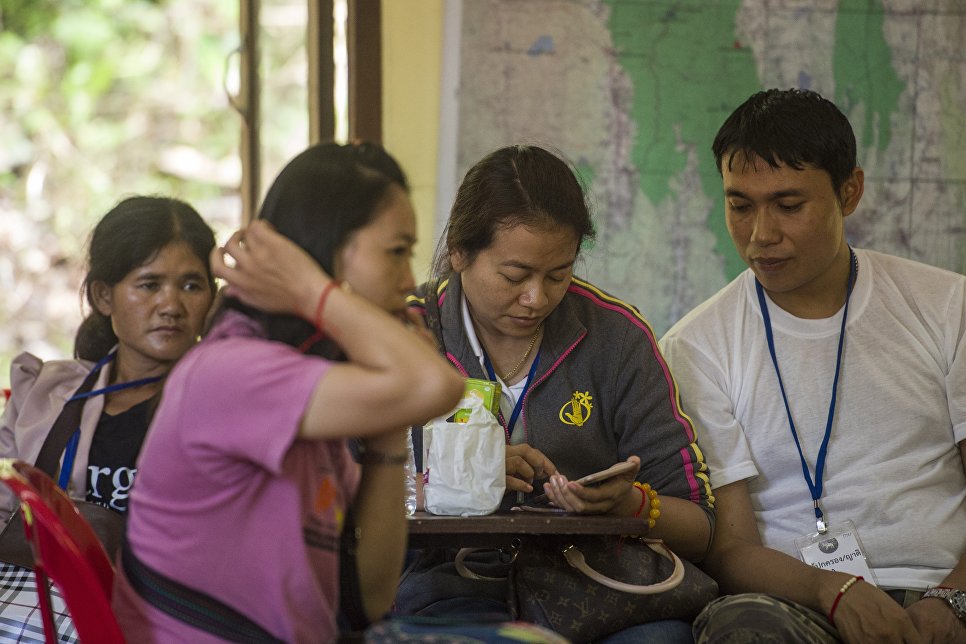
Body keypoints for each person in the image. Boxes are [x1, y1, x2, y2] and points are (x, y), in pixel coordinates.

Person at [112, 142, 466, 643]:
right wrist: (308, 287)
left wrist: (389, 429)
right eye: (397, 252)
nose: (410, 281)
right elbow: (437, 383)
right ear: (327, 252)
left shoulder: (307, 397)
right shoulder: (232, 372)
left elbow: (369, 598)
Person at [660, 88, 966, 643]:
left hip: (949, 589)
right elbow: (729, 549)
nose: (761, 235)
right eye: (740, 204)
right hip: (795, 604)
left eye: (788, 204)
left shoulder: (948, 306)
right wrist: (834, 591)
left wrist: (951, 600)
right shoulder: (696, 345)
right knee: (742, 628)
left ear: (849, 192)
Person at [399, 144, 716, 642]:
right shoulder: (403, 332)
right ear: (459, 251)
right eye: (514, 275)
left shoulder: (616, 339)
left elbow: (700, 527)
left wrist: (629, 504)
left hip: (600, 595)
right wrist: (452, 479)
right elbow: (332, 501)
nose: (537, 298)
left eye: (558, 275)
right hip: (449, 591)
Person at [0, 195, 216, 642]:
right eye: (149, 284)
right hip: (29, 602)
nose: (171, 304)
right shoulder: (45, 393)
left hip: (159, 618)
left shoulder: (222, 405)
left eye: (192, 285)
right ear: (103, 296)